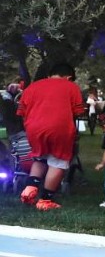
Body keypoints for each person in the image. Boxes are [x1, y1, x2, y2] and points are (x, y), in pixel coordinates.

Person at [16, 62, 86, 210]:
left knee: (39, 158)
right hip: (59, 128)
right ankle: (45, 200)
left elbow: (22, 111)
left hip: (33, 128)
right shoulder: (71, 87)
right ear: (69, 77)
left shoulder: (33, 86)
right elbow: (78, 112)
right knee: (58, 161)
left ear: (49, 75)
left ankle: (29, 190)